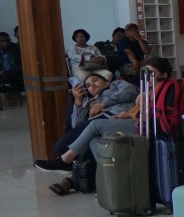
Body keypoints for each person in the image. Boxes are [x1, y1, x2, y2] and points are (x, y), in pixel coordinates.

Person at [35, 59, 175, 191]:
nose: (92, 86)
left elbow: (130, 95)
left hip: (124, 121)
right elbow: (76, 125)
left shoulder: (118, 85)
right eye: (88, 85)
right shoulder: (88, 102)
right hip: (105, 124)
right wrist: (78, 102)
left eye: (95, 80)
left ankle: (65, 161)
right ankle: (111, 181)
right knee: (93, 139)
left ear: (106, 81)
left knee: (94, 126)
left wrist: (105, 104)